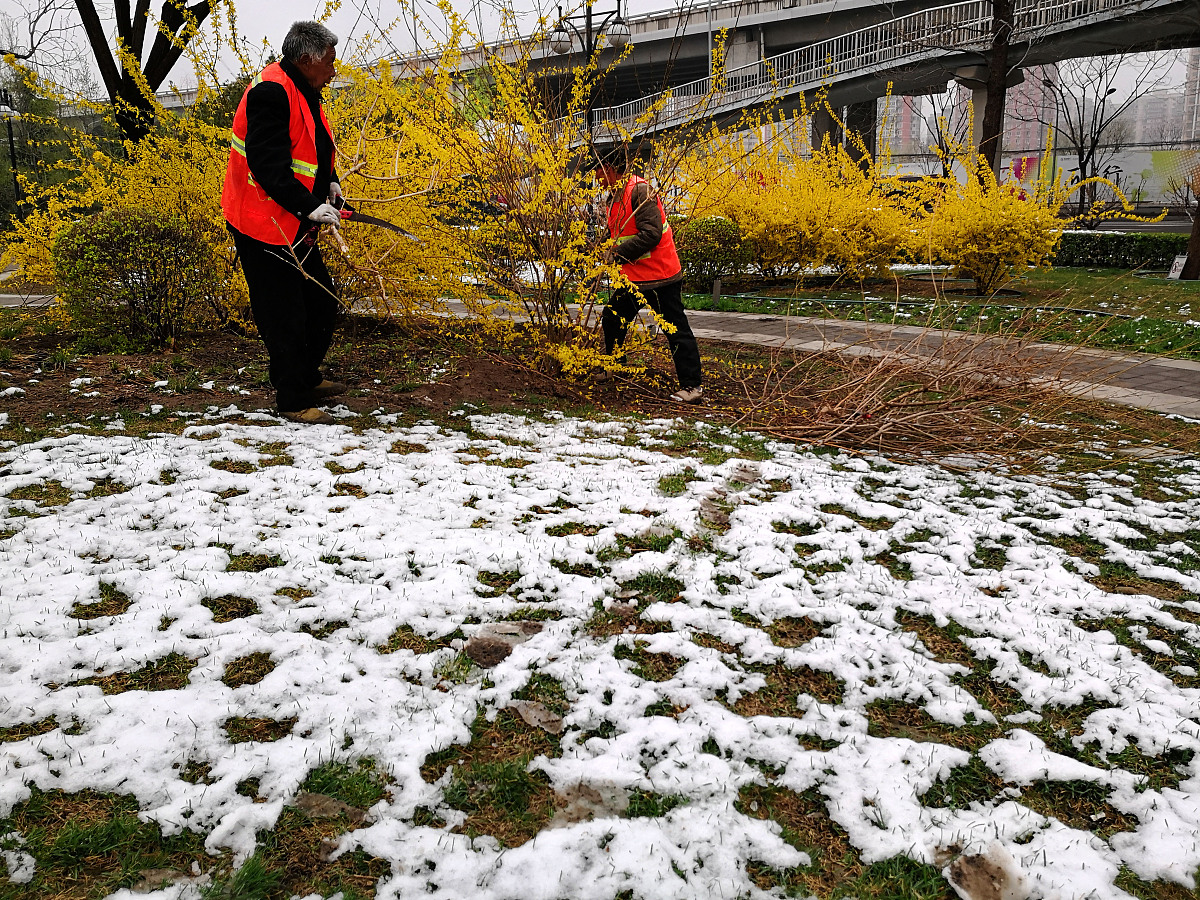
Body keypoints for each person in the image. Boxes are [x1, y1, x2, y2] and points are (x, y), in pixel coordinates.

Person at [221, 21, 348, 425]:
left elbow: (316, 147)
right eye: (329, 61)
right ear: (307, 60)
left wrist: (330, 184)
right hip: (260, 223)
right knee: (285, 314)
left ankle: (305, 377)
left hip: (291, 221)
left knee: (322, 302)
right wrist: (309, 206)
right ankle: (292, 399)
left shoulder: (305, 89)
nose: (334, 68)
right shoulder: (271, 92)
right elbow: (267, 166)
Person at [596, 145, 703, 403]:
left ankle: (692, 387)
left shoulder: (640, 191)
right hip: (635, 276)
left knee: (675, 329)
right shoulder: (615, 196)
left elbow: (652, 234)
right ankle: (616, 365)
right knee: (612, 317)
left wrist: (617, 254)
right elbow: (621, 232)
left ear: (609, 169)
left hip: (660, 276)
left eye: (598, 170)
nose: (596, 177)